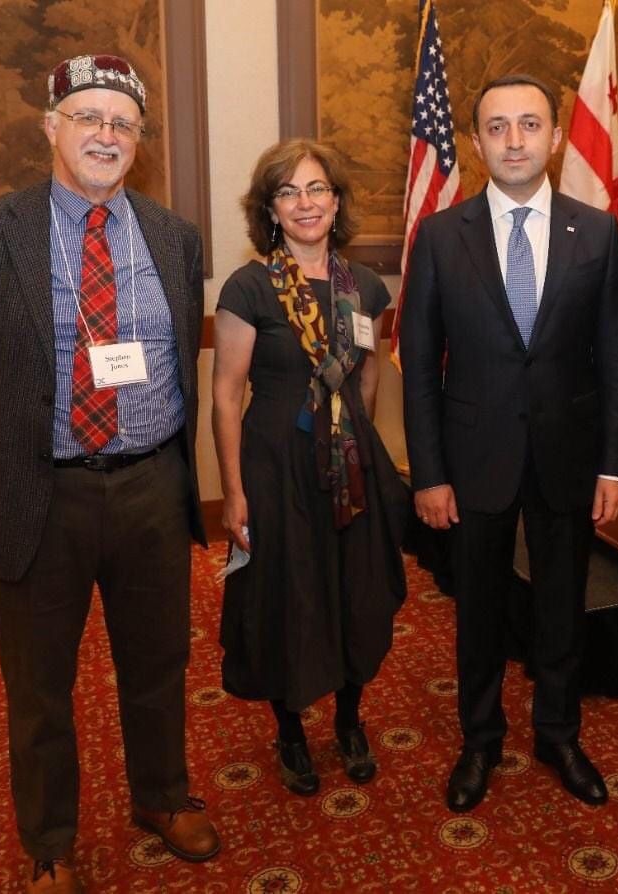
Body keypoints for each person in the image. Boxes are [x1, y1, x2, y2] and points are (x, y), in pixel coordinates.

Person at [0, 54, 219, 894]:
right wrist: (26, 427)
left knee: (159, 662)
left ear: (139, 141)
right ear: (50, 128)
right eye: (88, 117)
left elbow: (179, 358)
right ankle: (50, 840)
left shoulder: (174, 236)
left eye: (123, 123)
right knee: (40, 684)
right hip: (39, 490)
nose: (106, 135)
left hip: (151, 486)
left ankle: (162, 796)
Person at [400, 74, 618, 812]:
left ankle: (558, 734)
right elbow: (419, 367)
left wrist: (613, 466)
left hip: (569, 456)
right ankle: (480, 740)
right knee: (479, 611)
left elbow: (616, 361)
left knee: (563, 605)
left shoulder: (597, 233)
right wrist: (428, 473)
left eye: (529, 124)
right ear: (475, 142)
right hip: (474, 459)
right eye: (497, 126)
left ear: (556, 137)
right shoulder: (441, 236)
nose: (513, 140)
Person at [212, 139, 408, 798]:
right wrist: (233, 491)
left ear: (337, 200)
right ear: (269, 209)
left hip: (349, 465)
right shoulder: (249, 288)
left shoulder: (365, 288)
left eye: (317, 188)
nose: (305, 203)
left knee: (357, 592)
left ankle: (350, 721)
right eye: (288, 192)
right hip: (275, 467)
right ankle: (290, 731)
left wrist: (352, 443)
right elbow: (225, 395)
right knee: (286, 597)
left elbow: (369, 376)